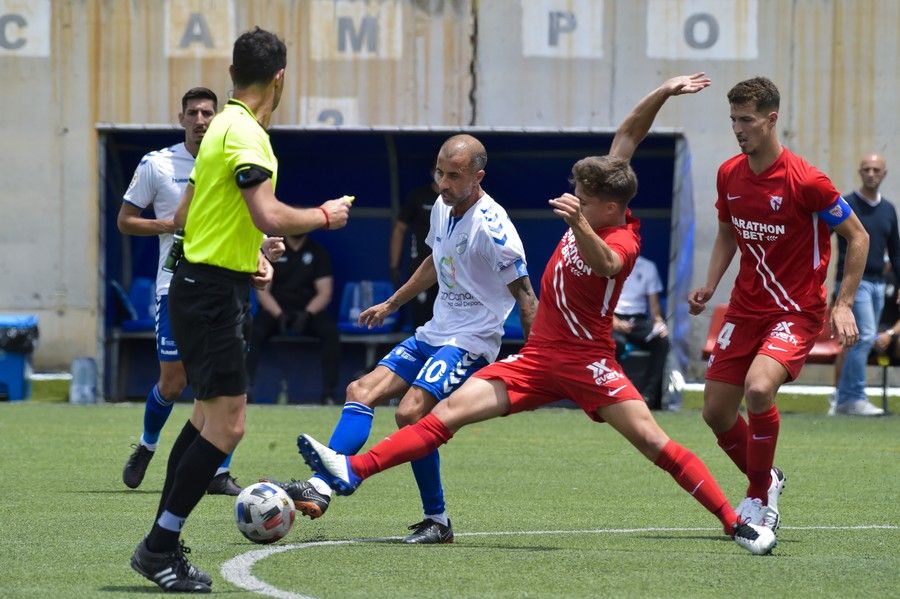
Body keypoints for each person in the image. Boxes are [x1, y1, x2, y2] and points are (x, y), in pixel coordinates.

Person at [297, 74, 779, 556]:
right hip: (538, 357)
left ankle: (736, 522)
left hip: (589, 364)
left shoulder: (621, 239)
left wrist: (577, 222)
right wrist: (664, 92)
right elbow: (629, 134)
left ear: (610, 207)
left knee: (657, 444)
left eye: (586, 200)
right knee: (440, 415)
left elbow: (605, 264)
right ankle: (352, 471)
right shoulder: (601, 198)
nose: (577, 200)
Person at [129, 27, 352, 594]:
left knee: (206, 420)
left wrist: (248, 251)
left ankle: (162, 538)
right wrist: (324, 216)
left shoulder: (216, 132)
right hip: (209, 297)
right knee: (228, 427)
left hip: (203, 285)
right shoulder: (248, 134)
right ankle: (158, 547)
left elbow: (189, 216)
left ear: (232, 75)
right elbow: (270, 213)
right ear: (280, 78)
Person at [268, 133, 538, 545]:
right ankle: (321, 489)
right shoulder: (443, 210)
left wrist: (536, 362)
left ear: (478, 177)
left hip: (471, 339)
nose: (442, 184)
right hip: (436, 330)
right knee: (360, 389)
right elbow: (435, 260)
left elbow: (525, 294)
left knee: (410, 413)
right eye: (439, 172)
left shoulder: (494, 228)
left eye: (453, 176)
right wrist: (391, 304)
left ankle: (437, 520)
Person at [688, 77, 869, 534]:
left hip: (797, 310)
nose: (737, 128)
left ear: (771, 120)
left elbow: (858, 237)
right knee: (715, 412)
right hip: (745, 309)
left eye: (746, 119)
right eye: (732, 119)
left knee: (759, 388)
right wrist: (710, 284)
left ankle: (757, 496)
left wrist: (844, 303)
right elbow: (728, 231)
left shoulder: (806, 180)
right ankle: (767, 476)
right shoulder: (729, 173)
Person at [118, 87, 281, 496]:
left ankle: (218, 471)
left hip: (227, 284)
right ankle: (147, 444)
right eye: (193, 113)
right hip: (175, 285)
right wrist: (171, 225)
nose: (201, 120)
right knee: (173, 382)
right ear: (182, 118)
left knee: (224, 383)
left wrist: (264, 251)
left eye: (208, 112)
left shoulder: (235, 159)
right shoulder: (157, 164)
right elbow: (126, 220)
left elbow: (247, 221)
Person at [831, 153, 894, 416]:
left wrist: (898, 283)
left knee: (858, 340)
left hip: (879, 284)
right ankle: (852, 397)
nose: (871, 174)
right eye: (866, 169)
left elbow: (896, 250)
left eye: (876, 169)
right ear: (860, 172)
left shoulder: (889, 209)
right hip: (853, 284)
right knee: (865, 336)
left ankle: (842, 399)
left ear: (883, 174)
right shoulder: (846, 203)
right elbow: (823, 237)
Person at [246, 232, 342, 404]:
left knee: (330, 333)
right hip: (275, 310)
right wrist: (279, 315)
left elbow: (325, 292)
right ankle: (245, 389)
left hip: (307, 312)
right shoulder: (274, 249)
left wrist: (307, 314)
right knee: (254, 331)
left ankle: (329, 393)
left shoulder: (317, 252)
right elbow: (263, 291)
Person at [613, 254, 670, 409]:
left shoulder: (647, 267)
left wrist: (659, 323)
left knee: (662, 341)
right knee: (616, 343)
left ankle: (647, 396)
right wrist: (614, 321)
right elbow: (599, 301)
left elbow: (654, 308)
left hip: (637, 320)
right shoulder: (610, 263)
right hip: (611, 316)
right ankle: (614, 393)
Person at [390, 169, 439, 328]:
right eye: (439, 170)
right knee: (422, 319)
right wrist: (394, 264)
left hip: (450, 267)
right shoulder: (418, 196)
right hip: (421, 265)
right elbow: (399, 229)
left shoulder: (458, 199)